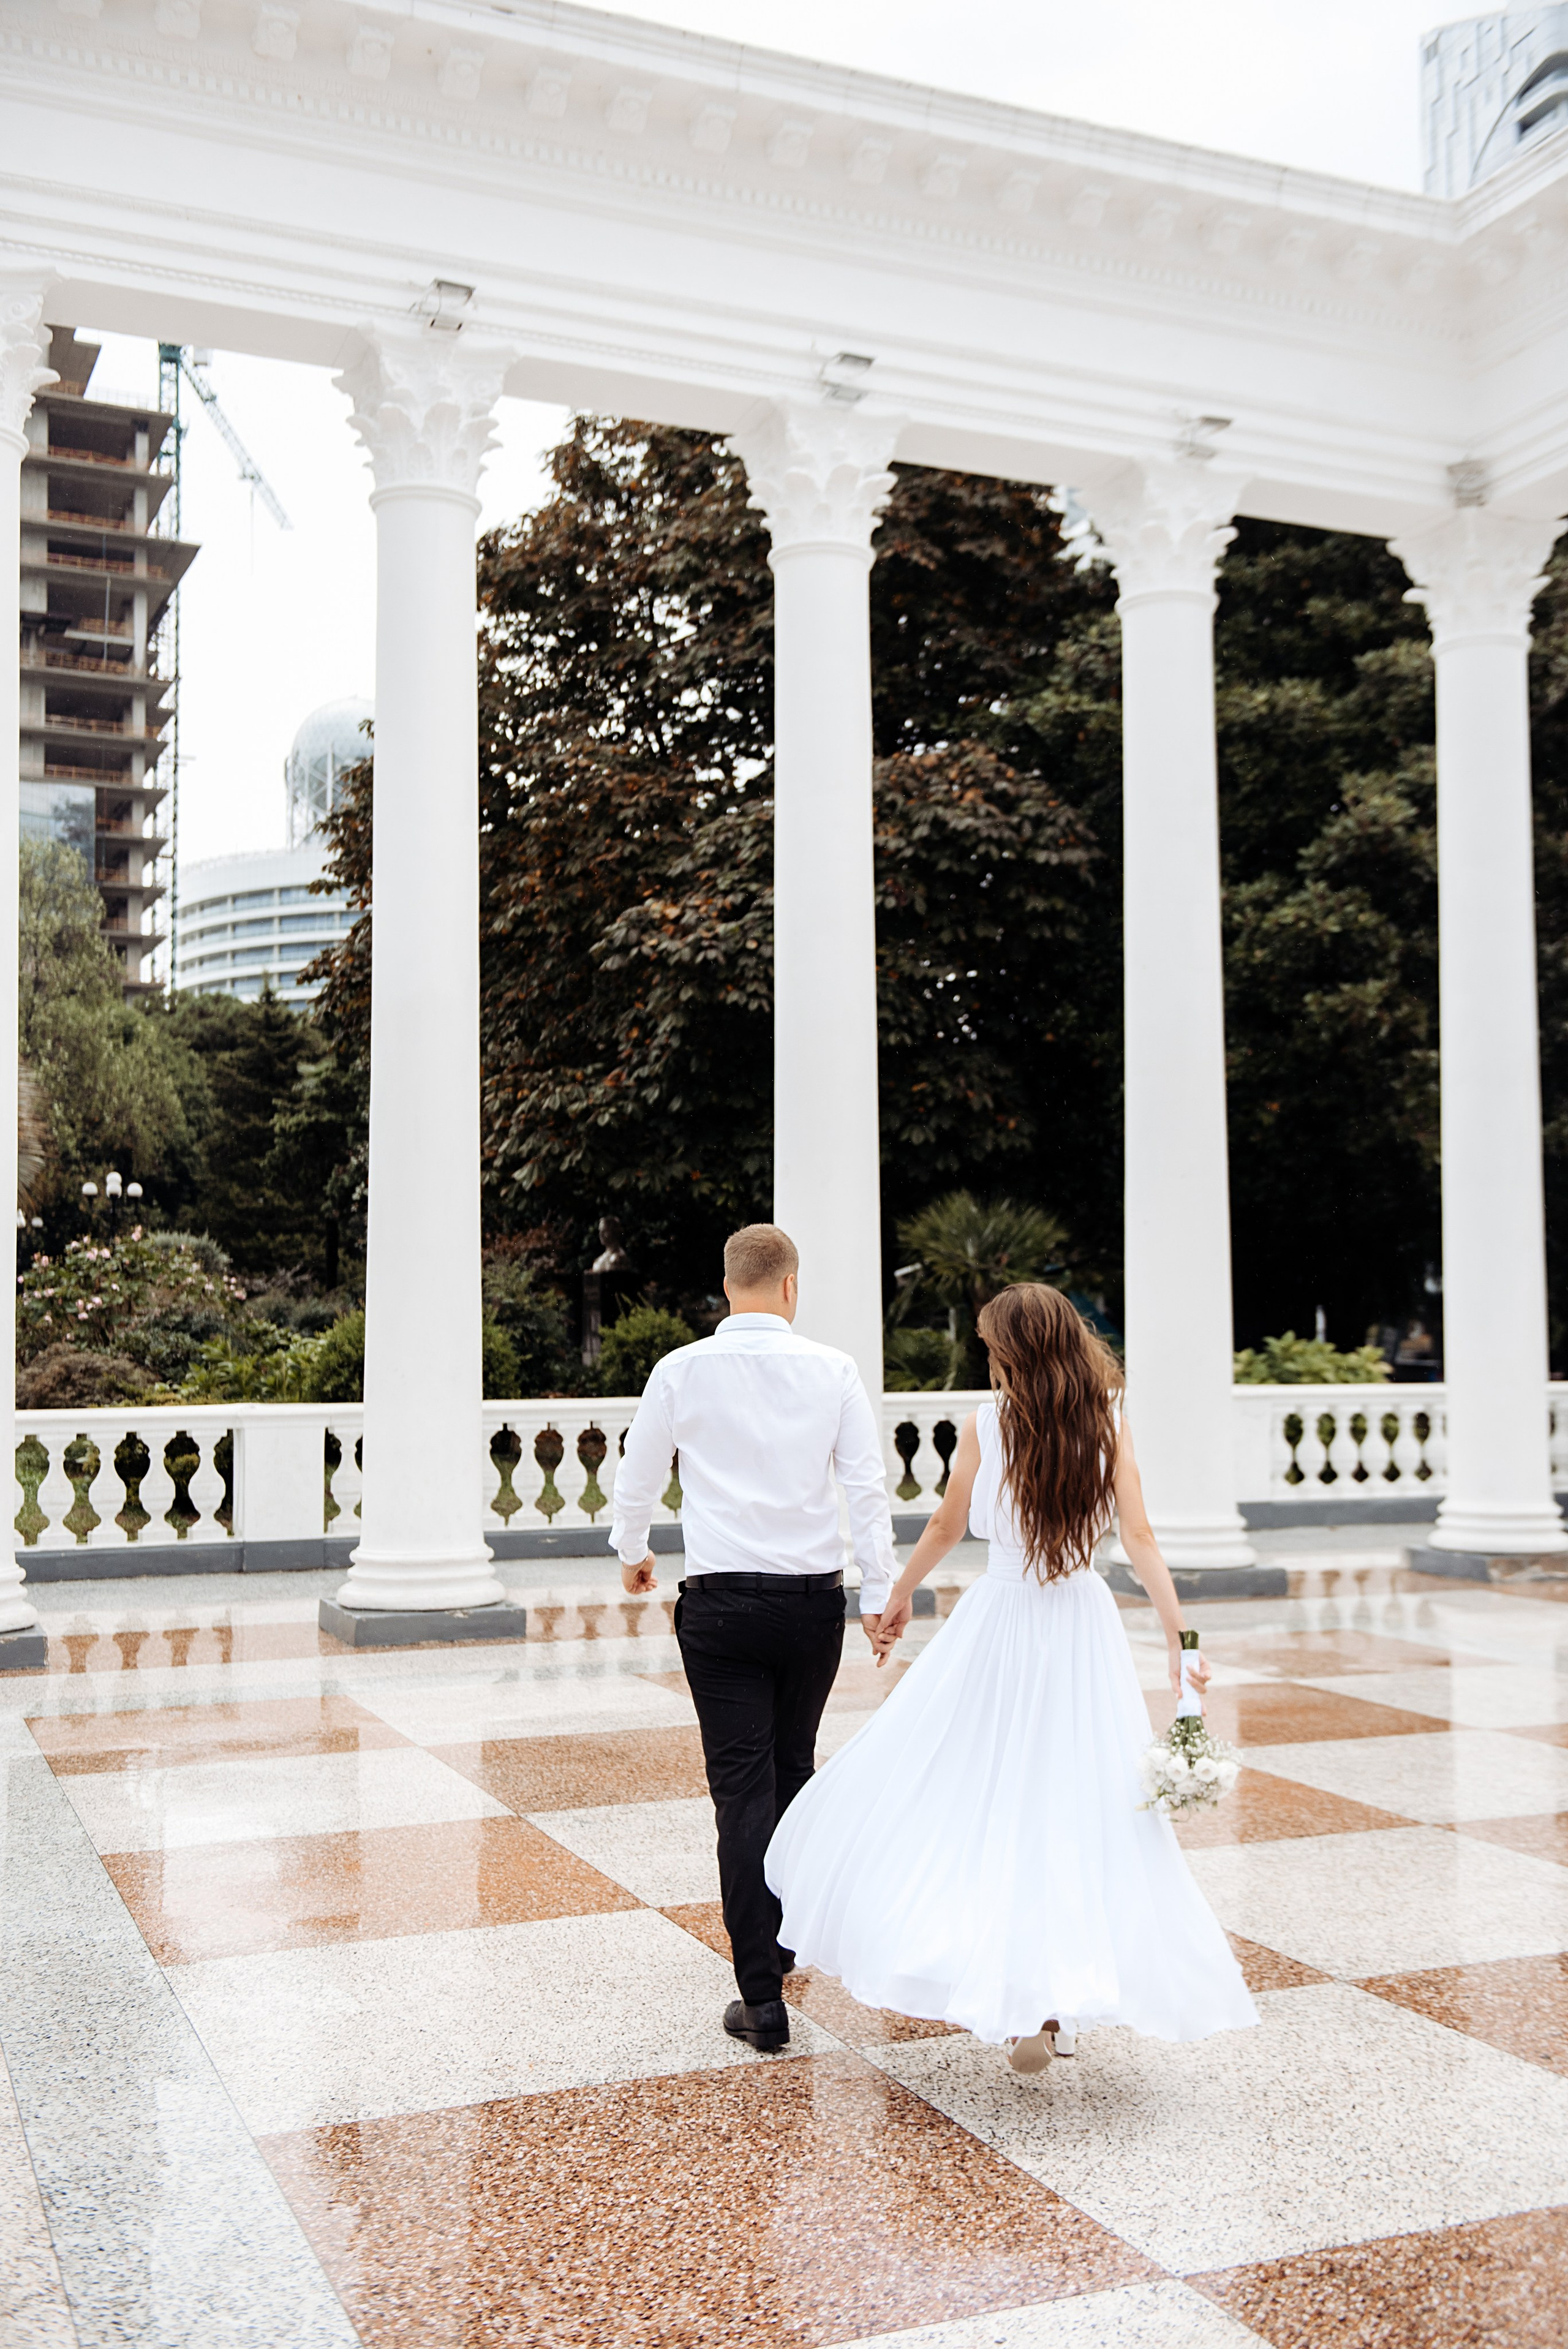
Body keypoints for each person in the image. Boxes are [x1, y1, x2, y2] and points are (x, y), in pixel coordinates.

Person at [765, 1283, 1258, 2070]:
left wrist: (896, 1597)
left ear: (1011, 1352)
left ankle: (1020, 1997)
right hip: (1080, 1627)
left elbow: (945, 1524)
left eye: (992, 1347)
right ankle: (1052, 2003)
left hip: (999, 1622)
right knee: (1077, 1801)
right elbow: (1140, 1537)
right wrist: (1181, 1638)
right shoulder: (1107, 1419)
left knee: (983, 1792)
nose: (988, 1359)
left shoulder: (987, 1424)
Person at [611, 1223, 895, 2054]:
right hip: (812, 1605)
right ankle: (786, 1939)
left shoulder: (679, 1370)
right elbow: (867, 1489)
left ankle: (760, 1996)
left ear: (728, 1284)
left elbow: (637, 1476)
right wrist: (878, 1596)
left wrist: (634, 1555)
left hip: (723, 1605)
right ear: (791, 1286)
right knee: (794, 1769)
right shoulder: (834, 1369)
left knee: (742, 1790)